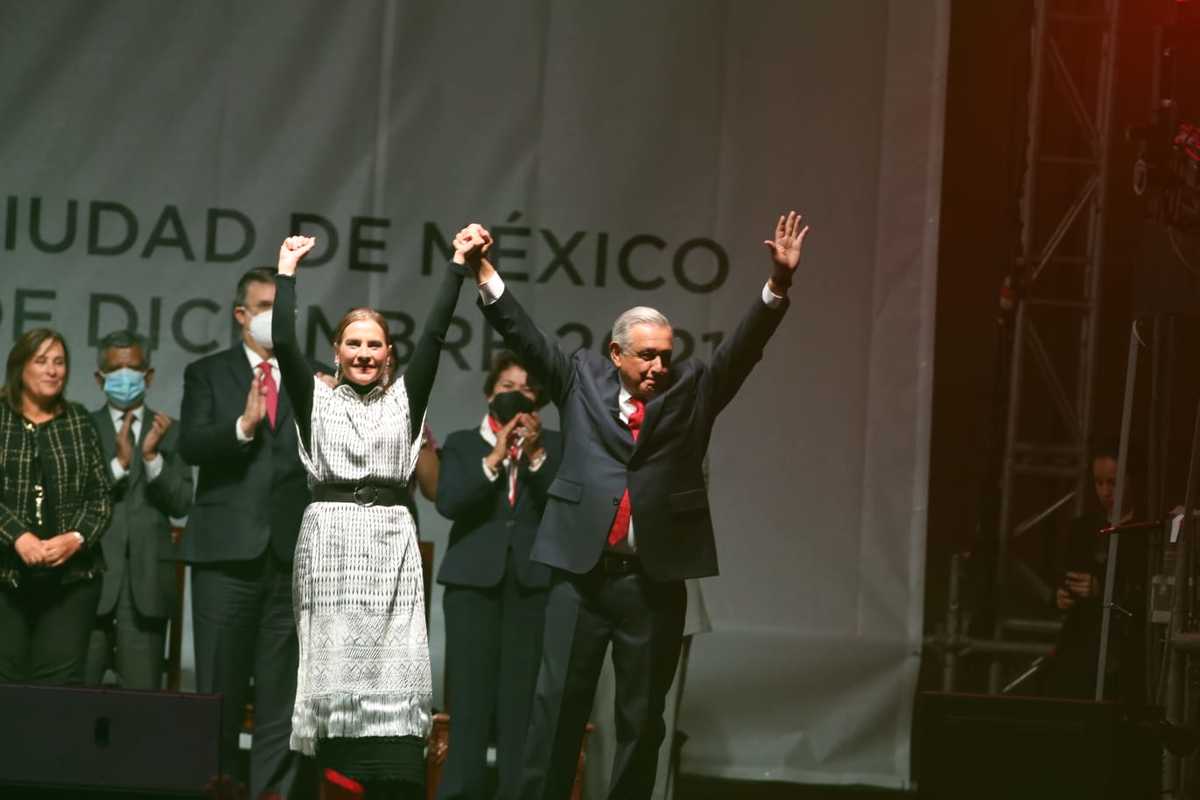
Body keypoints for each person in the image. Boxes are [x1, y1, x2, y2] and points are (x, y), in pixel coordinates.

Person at [457, 211, 808, 800]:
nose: (657, 367)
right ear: (616, 353)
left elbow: (741, 353)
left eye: (665, 355)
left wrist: (778, 286)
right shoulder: (579, 379)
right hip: (580, 577)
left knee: (643, 723)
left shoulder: (691, 391)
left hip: (651, 583)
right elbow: (523, 333)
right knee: (556, 715)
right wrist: (483, 270)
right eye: (645, 356)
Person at [272, 233, 468, 799]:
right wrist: (287, 271)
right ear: (335, 350)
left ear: (389, 355)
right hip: (330, 541)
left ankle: (394, 777)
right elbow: (283, 338)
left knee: (396, 661)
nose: (363, 353)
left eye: (374, 344)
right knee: (335, 666)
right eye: (352, 343)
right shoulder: (315, 399)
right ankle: (339, 774)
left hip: (390, 541)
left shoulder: (407, 399)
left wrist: (456, 266)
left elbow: (434, 333)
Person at [179, 266, 322, 797]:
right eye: (263, 308)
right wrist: (240, 428)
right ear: (241, 315)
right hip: (225, 560)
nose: (272, 319)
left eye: (281, 310)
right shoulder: (208, 373)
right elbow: (190, 444)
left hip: (290, 561)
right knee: (217, 698)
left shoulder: (312, 376)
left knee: (282, 709)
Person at [435, 351, 562, 800]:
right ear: (490, 393)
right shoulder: (462, 443)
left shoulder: (557, 447)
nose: (516, 395)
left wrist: (535, 456)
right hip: (472, 586)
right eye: (507, 387)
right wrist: (493, 457)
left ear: (539, 400)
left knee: (520, 706)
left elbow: (566, 506)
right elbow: (450, 502)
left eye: (526, 389)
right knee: (468, 704)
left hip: (531, 586)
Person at [0, 328, 113, 685]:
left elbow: (101, 497)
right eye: (42, 361)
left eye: (59, 362)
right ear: (20, 368)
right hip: (6, 578)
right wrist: (17, 537)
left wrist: (75, 538)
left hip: (72, 581)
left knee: (56, 689)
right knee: (8, 682)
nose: (53, 370)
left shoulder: (79, 421)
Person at [85, 330, 192, 690]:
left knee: (140, 703)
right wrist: (117, 465)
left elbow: (181, 503)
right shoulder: (81, 427)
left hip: (146, 584)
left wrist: (151, 459)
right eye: (116, 369)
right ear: (100, 378)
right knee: (72, 699)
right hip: (90, 580)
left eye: (133, 368)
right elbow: (73, 502)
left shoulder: (171, 432)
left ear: (148, 376)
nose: (125, 376)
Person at [1049, 445, 1142, 701]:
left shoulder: (1145, 534)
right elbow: (1061, 578)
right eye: (1098, 483)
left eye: (1112, 482)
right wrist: (1059, 596)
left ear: (1131, 479)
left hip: (1121, 654)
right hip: (1080, 649)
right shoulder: (1082, 528)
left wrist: (1102, 589)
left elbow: (1141, 596)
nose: (1105, 492)